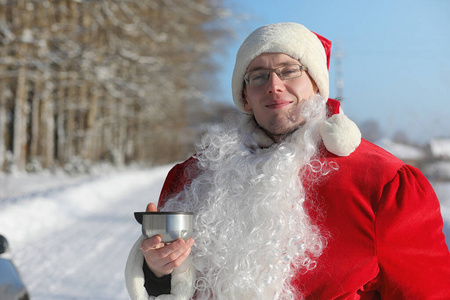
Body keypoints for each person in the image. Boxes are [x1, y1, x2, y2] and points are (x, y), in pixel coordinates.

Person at [125, 22, 450, 299]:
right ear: (245, 96)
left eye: (289, 71)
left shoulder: (384, 183)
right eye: (258, 76)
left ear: (316, 84)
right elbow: (166, 288)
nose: (273, 85)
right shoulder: (194, 175)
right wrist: (157, 270)